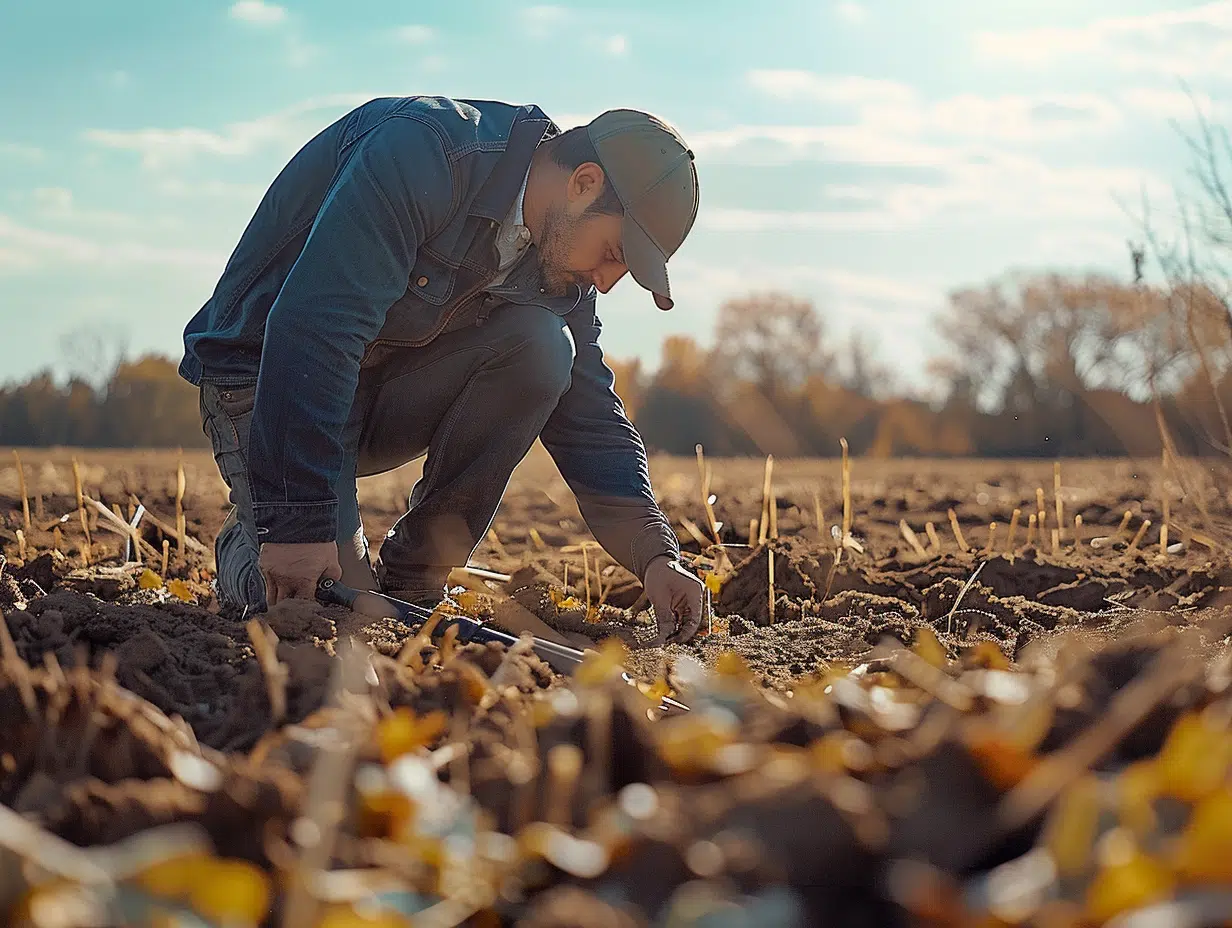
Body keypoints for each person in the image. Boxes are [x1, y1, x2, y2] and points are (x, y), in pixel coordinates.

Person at [179, 94, 706, 645]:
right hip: (268, 382)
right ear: (584, 184)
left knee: (546, 347)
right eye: (615, 253)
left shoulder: (558, 262)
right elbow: (318, 327)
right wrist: (297, 523)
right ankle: (249, 543)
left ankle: (415, 578)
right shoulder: (425, 152)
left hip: (377, 387)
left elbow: (592, 415)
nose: (604, 282)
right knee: (326, 602)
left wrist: (655, 557)